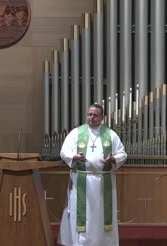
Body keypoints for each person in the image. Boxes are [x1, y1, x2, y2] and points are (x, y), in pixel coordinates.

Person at [58, 104, 127, 246]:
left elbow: (122, 154)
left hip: (104, 182)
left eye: (95, 115)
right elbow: (64, 152)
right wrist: (74, 157)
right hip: (82, 181)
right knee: (82, 216)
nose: (91, 117)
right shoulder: (76, 133)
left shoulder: (110, 134)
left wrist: (113, 159)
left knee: (101, 217)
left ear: (102, 117)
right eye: (89, 114)